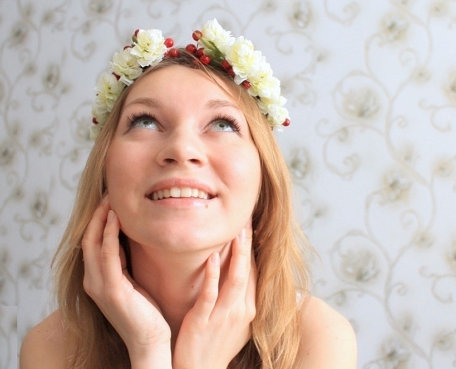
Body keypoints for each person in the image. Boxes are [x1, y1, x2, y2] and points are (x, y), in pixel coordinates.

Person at [20, 19, 357, 369]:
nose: (181, 149)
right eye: (145, 121)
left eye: (223, 123)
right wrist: (148, 346)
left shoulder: (318, 339)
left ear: (263, 180)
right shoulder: (50, 350)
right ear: (105, 173)